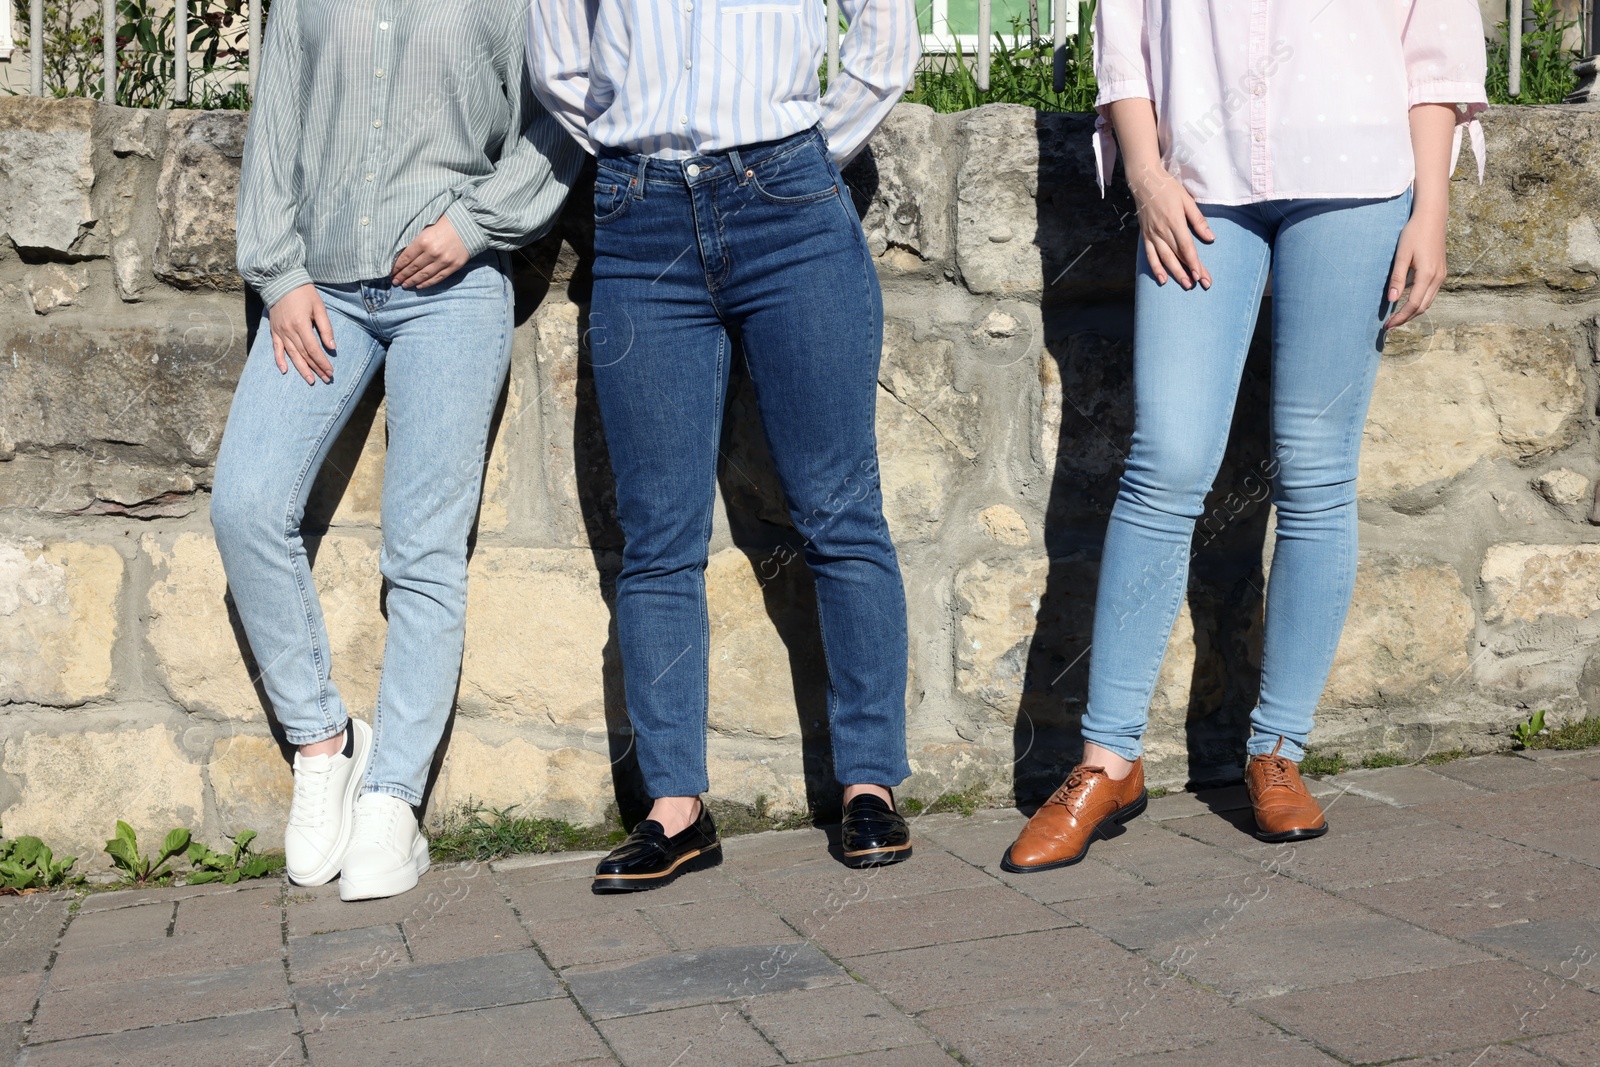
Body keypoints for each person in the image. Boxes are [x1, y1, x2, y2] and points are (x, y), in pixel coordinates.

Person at [1004, 0, 1487, 872]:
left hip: (1358, 179)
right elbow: (1125, 38)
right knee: (1167, 460)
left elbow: (1434, 47)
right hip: (1198, 183)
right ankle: (1107, 760)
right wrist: (1146, 176)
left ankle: (1278, 750)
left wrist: (1431, 210)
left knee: (1316, 471)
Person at [529, 0, 921, 891]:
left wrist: (809, 157)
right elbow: (556, 58)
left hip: (790, 205)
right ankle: (676, 810)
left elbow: (887, 33)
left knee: (840, 509)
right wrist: (636, 145)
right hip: (642, 215)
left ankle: (871, 784)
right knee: (658, 533)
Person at [213, 0, 581, 900]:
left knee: (422, 548)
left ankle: (392, 797)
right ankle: (326, 741)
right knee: (247, 504)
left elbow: (566, 113)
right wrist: (279, 271)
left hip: (453, 288)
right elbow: (278, 117)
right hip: (323, 290)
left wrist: (479, 221)